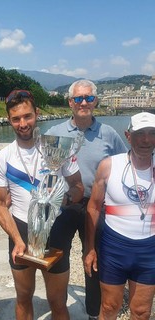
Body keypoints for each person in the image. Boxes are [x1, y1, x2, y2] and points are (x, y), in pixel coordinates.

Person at [0, 90, 84, 320]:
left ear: (37, 114)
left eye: (27, 116)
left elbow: (78, 187)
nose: (22, 123)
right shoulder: (2, 158)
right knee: (23, 297)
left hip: (57, 230)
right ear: (9, 120)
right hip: (21, 229)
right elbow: (0, 205)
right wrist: (18, 240)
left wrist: (64, 198)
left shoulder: (59, 147)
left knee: (57, 301)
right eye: (16, 118)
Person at [46, 79, 127, 319]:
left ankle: (94, 312)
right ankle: (59, 307)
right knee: (56, 256)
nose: (84, 103)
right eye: (78, 98)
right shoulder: (55, 133)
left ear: (96, 102)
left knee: (94, 259)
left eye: (89, 98)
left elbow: (123, 167)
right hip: (63, 206)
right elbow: (41, 168)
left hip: (96, 206)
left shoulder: (109, 134)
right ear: (70, 102)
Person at [84, 112, 155, 319]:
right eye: (140, 133)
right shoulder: (109, 165)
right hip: (115, 246)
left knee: (141, 311)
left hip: (149, 249)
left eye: (152, 133)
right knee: (108, 308)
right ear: (128, 135)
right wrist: (90, 249)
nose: (146, 139)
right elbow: (93, 207)